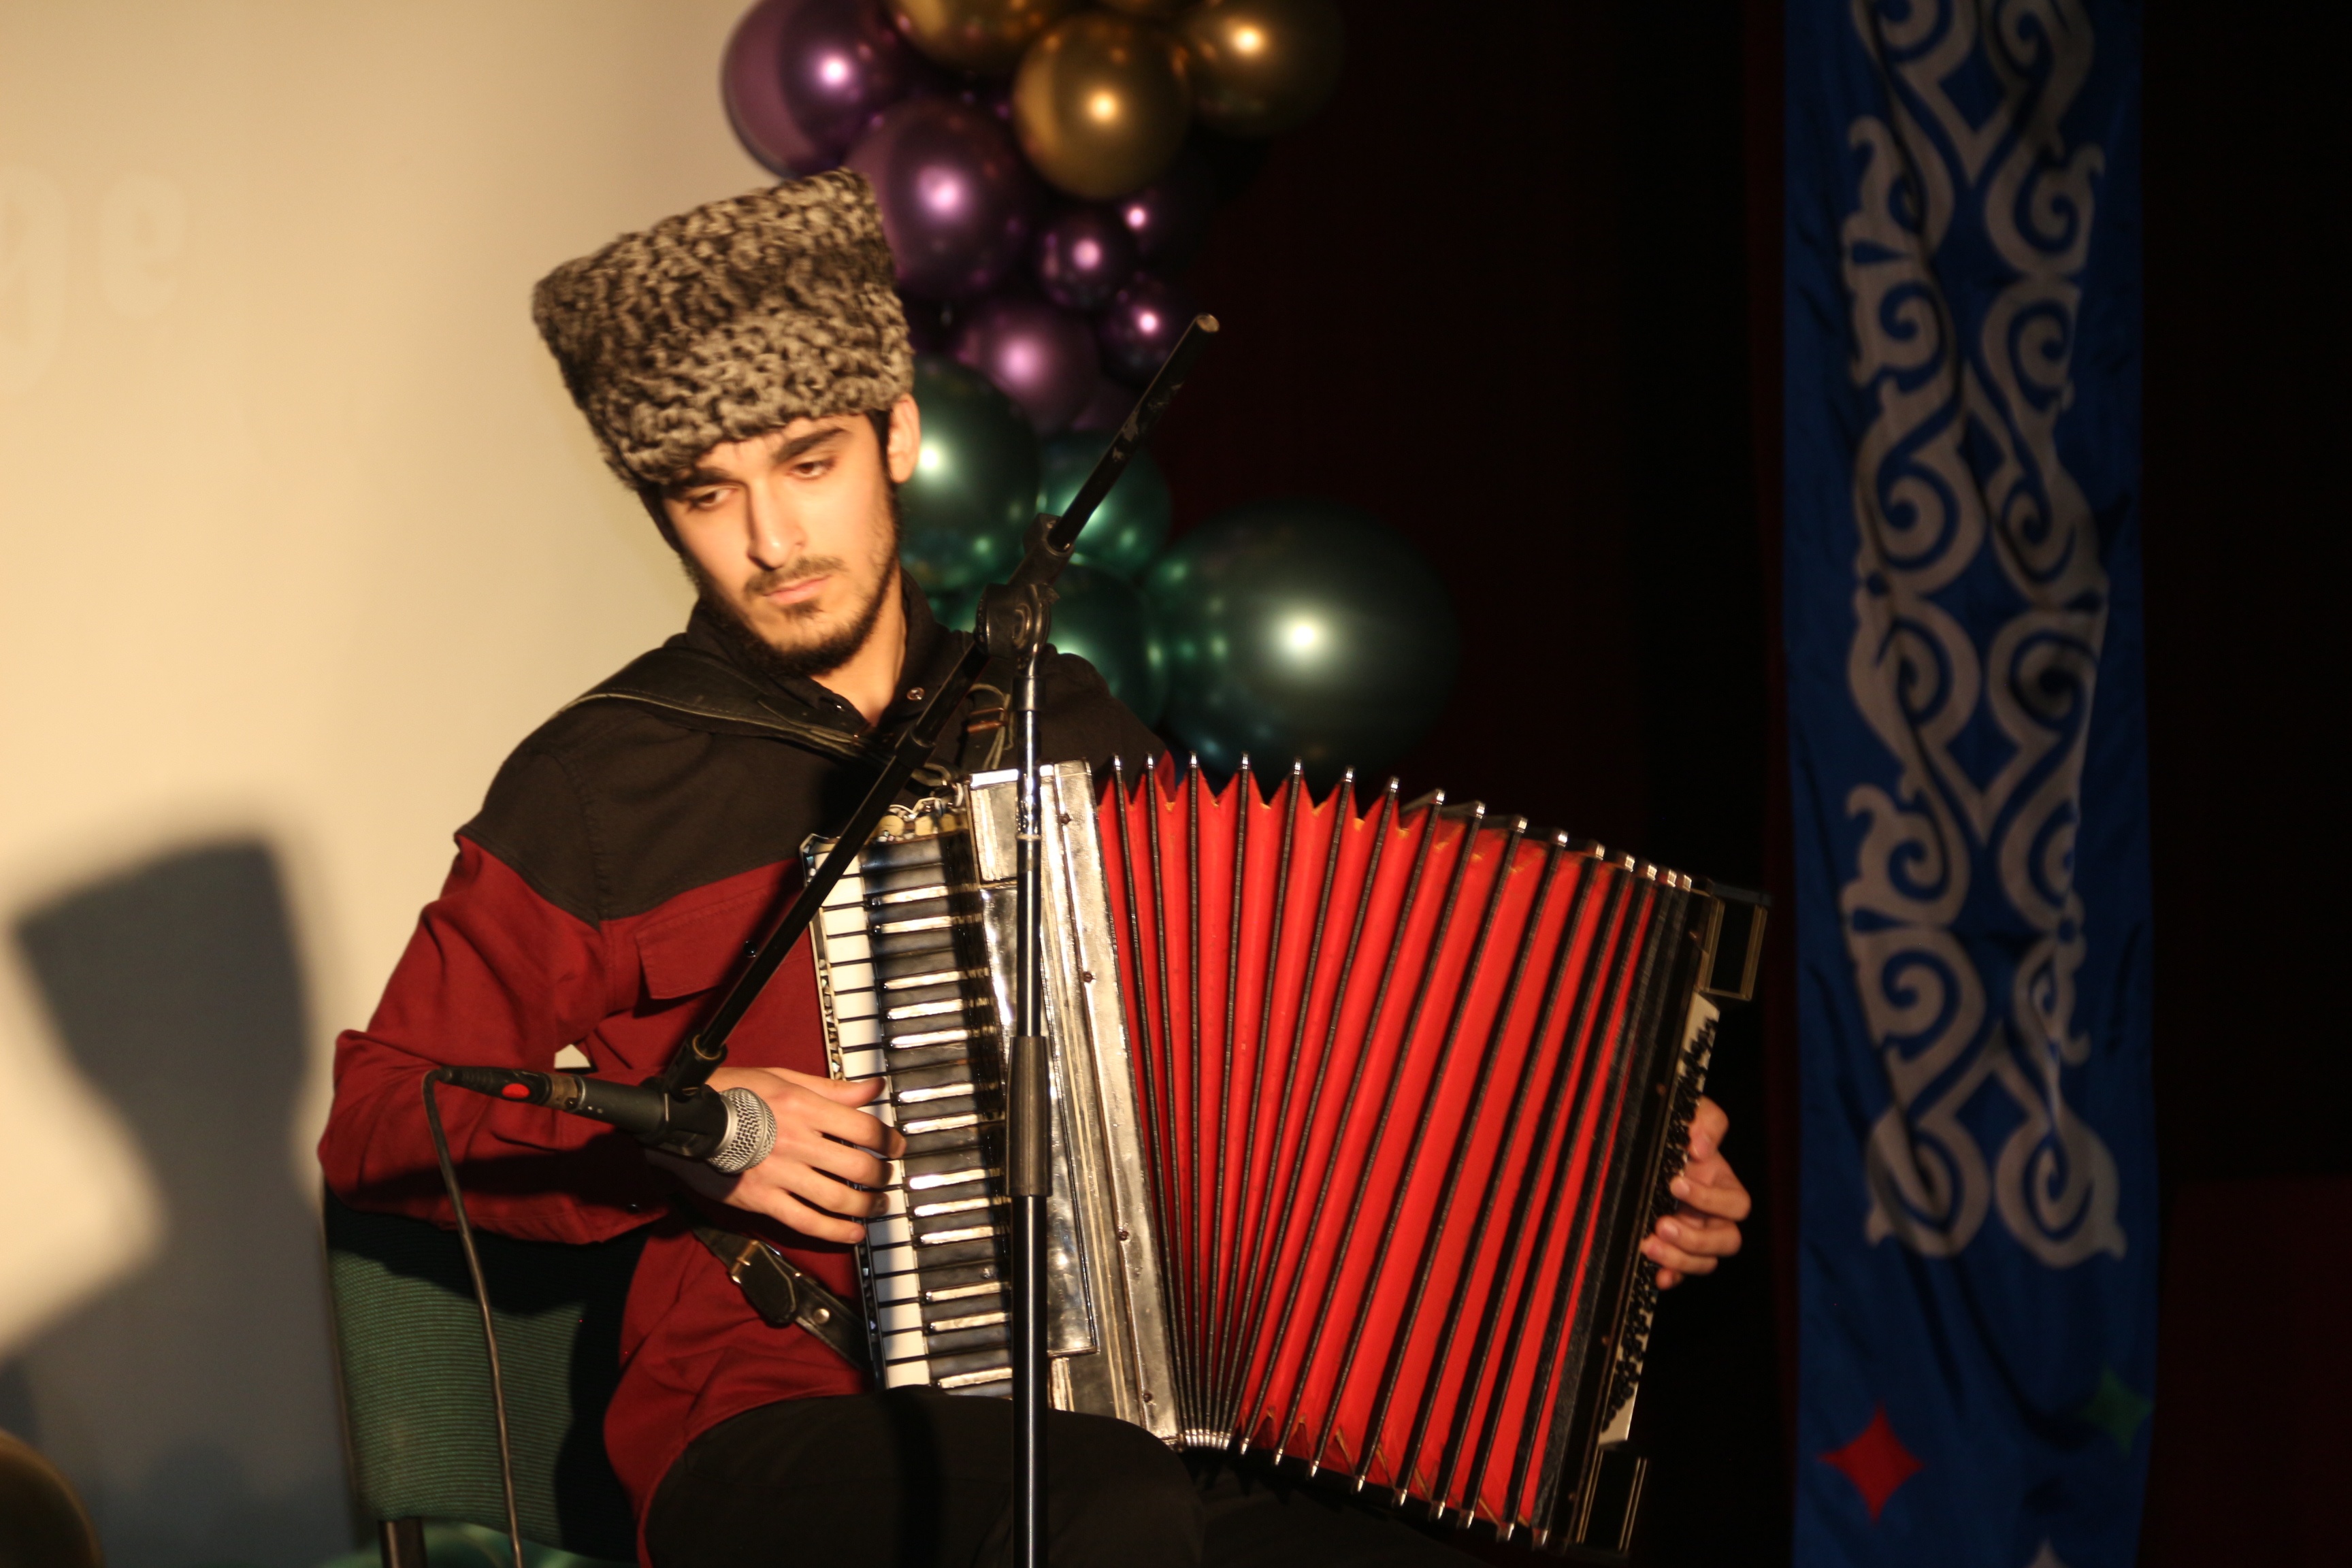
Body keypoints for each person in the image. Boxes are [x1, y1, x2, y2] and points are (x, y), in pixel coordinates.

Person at [319, 172, 1752, 1568]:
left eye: (809, 465)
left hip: (1124, 1420)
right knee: (1099, 1513)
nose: (772, 541)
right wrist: (682, 1130)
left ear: (897, 433)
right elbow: (383, 1121)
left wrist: (1613, 1165)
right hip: (773, 1421)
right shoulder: (599, 782)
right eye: (709, 494)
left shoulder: (1062, 722)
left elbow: (1308, 1051)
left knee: (1495, 1533)